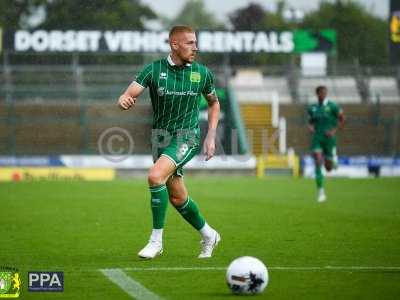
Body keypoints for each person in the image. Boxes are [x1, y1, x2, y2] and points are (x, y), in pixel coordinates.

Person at [117, 25, 221, 259]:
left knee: (155, 176)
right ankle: (209, 235)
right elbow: (129, 93)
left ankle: (156, 241)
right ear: (174, 45)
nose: (196, 47)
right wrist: (124, 99)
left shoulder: (202, 73)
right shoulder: (153, 70)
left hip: (187, 136)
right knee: (177, 197)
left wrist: (211, 135)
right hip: (160, 139)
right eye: (190, 43)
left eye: (196, 42)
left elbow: (214, 103)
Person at [307, 86, 344, 202]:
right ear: (317, 94)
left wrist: (333, 131)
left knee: (328, 168)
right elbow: (310, 122)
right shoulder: (312, 108)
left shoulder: (333, 106)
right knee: (317, 162)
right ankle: (321, 192)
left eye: (325, 93)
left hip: (329, 139)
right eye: (321, 93)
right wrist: (311, 127)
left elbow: (342, 119)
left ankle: (333, 158)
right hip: (317, 138)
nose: (323, 95)